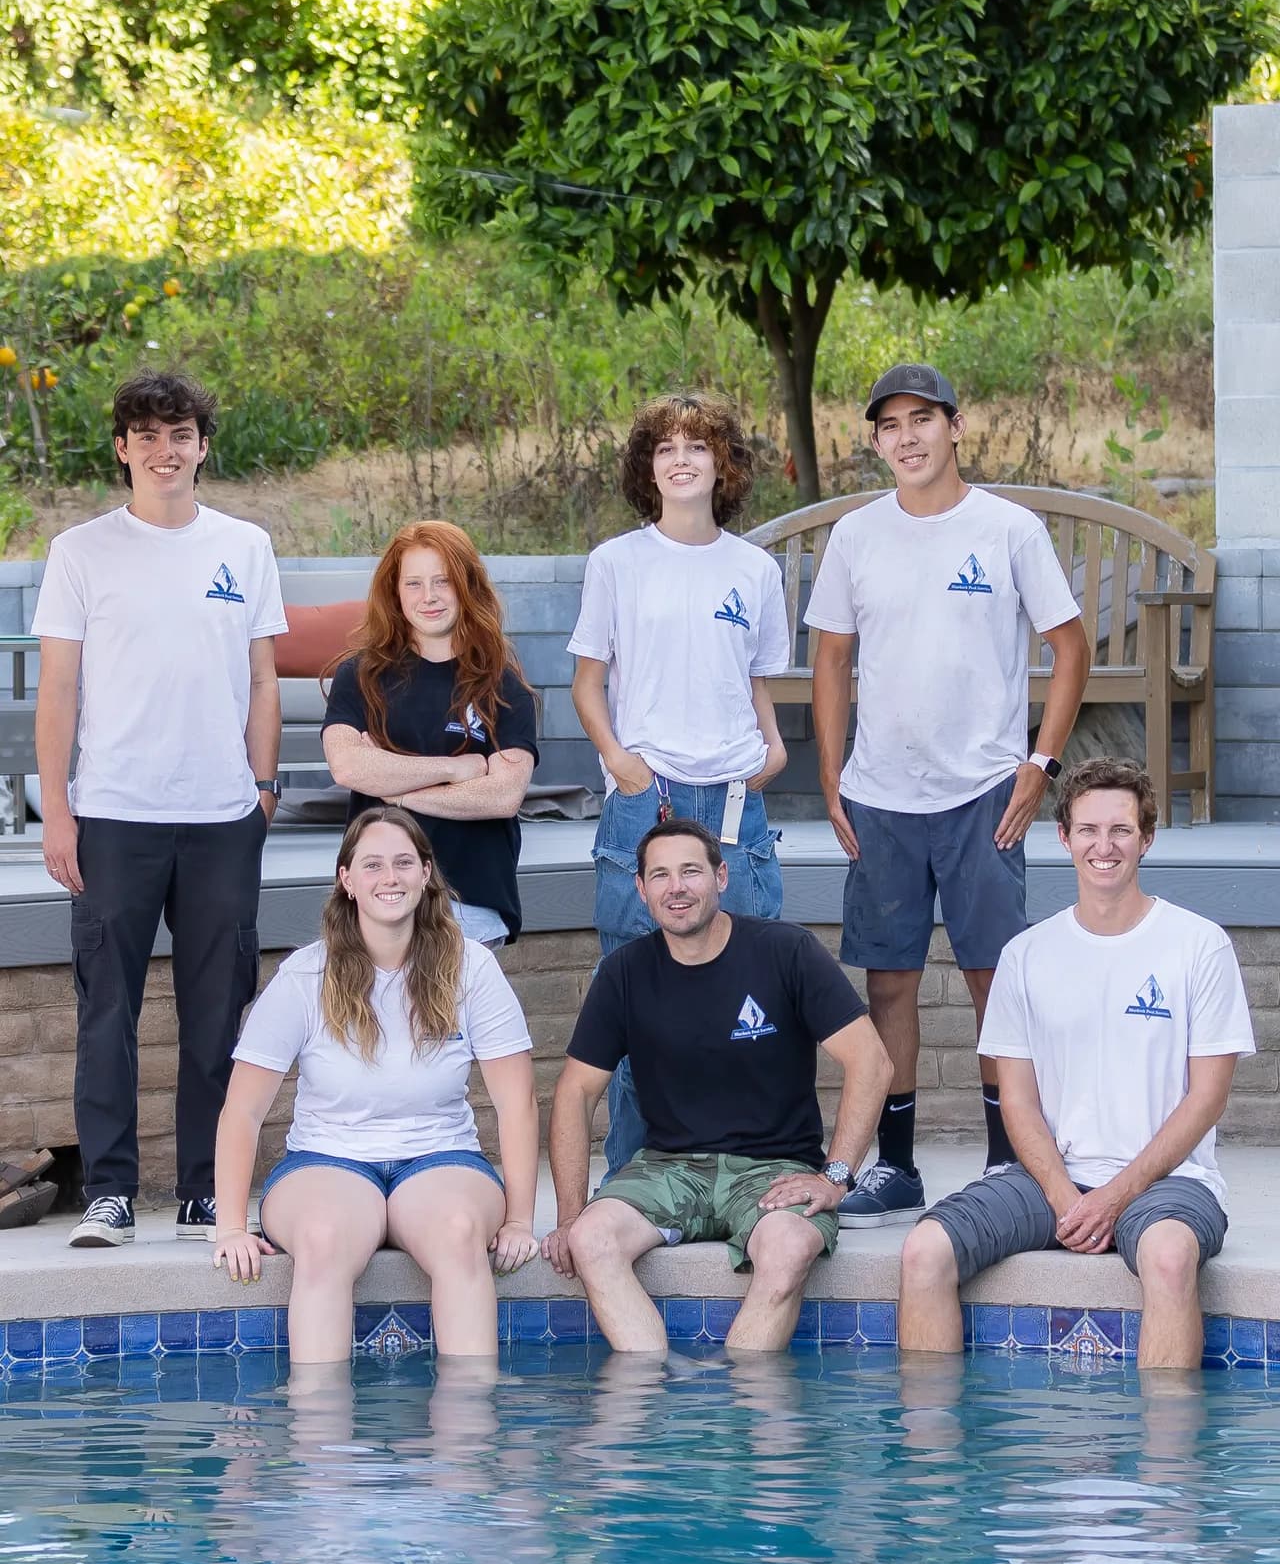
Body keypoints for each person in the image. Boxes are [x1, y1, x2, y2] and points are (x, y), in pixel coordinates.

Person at [805, 361, 1090, 1225]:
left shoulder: (1007, 530)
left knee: (992, 983)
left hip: (983, 793)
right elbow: (831, 658)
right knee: (887, 984)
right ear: (878, 442)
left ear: (955, 426)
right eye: (889, 426)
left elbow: (1068, 648)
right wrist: (828, 771)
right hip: (882, 796)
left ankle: (1010, 1163)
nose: (907, 437)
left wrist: (1039, 763)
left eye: (921, 419)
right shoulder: (857, 536)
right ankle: (896, 1168)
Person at [33, 367, 287, 1248]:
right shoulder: (81, 552)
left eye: (179, 434)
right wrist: (57, 814)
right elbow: (57, 692)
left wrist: (262, 789)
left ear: (202, 446)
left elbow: (262, 680)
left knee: (217, 1011)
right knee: (108, 1007)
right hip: (113, 812)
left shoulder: (245, 546)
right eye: (145, 435)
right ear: (121, 449)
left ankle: (203, 1193)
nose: (163, 450)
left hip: (223, 818)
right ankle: (108, 1192)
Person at [898, 760, 1255, 1371]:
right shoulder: (1026, 955)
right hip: (1049, 1179)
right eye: (1088, 830)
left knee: (1169, 1258)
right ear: (1064, 839)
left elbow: (1207, 1099)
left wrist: (1116, 1195)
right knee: (923, 1251)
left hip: (1171, 1183)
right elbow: (1017, 1101)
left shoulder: (1198, 944)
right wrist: (1067, 1197)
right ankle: (934, 1458)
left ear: (1147, 837)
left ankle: (1165, 1464)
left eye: (1120, 830)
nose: (1104, 846)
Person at [540, 818, 892, 1353]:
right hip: (669, 1168)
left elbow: (872, 1061)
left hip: (774, 1169)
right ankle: (649, 1407)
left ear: (721, 877)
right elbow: (575, 1092)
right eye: (659, 875)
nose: (675, 888)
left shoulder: (785, 951)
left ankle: (741, 1415)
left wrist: (836, 1177)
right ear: (640, 889)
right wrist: (569, 1215)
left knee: (791, 1245)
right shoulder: (623, 972)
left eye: (690, 871)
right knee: (591, 1238)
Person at [212, 807, 540, 1361]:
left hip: (442, 1158)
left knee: (461, 1232)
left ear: (426, 873)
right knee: (323, 1237)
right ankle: (322, 1437)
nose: (390, 878)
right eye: (373, 865)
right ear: (347, 880)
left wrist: (520, 1220)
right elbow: (242, 1110)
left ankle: (466, 1435)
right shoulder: (305, 976)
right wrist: (228, 1228)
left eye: (404, 863)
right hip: (326, 1161)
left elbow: (517, 1101)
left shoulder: (473, 968)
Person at [569, 391, 791, 1175]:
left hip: (735, 801)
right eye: (665, 447)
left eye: (698, 445)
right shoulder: (617, 563)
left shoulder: (756, 571)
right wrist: (625, 767)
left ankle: (753, 1165)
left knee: (751, 994)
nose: (682, 458)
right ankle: (634, 1177)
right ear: (647, 468)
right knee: (637, 1000)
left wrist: (772, 751)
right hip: (647, 799)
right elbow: (588, 683)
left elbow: (758, 680)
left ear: (723, 463)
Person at [321, 520, 538, 947]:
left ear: (467, 586)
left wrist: (395, 791)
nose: (429, 597)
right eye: (414, 584)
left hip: (469, 902)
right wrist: (456, 769)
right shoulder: (360, 675)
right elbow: (348, 765)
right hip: (379, 897)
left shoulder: (502, 686)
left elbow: (502, 795)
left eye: (443, 581)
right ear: (396, 593)